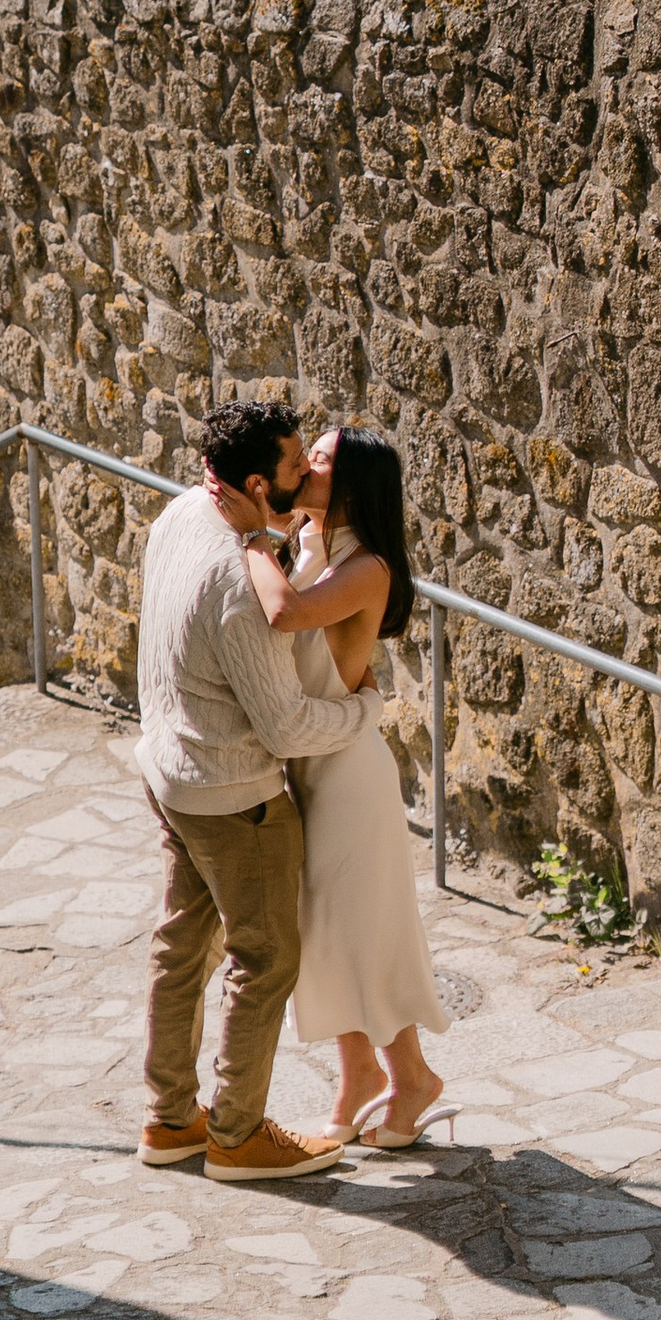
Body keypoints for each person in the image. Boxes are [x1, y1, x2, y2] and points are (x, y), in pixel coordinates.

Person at [133, 396, 376, 1184]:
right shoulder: (239, 583)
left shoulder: (178, 516)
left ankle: (170, 1121)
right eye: (294, 465)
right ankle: (237, 1135)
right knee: (263, 960)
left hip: (169, 774)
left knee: (179, 951)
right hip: (236, 798)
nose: (308, 471)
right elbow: (287, 728)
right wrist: (368, 709)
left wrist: (266, 536)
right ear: (253, 482)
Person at [232, 424, 449, 1148]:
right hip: (311, 764)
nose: (305, 469)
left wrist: (251, 541)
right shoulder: (320, 547)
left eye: (319, 462)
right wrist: (287, 539)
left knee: (362, 933)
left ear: (352, 485)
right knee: (323, 932)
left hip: (350, 774)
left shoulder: (370, 568)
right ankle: (358, 1075)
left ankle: (412, 1075)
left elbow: (285, 614)